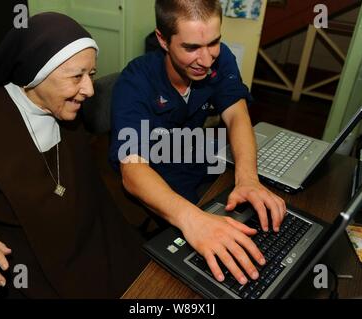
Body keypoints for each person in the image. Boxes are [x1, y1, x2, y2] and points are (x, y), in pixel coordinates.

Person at [0, 12, 147, 299]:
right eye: (76, 76)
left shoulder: (71, 109)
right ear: (34, 75)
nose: (89, 90)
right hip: (25, 268)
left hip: (88, 243)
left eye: (91, 74)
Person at [109, 0, 286, 286]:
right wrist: (194, 221)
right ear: (162, 40)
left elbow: (237, 115)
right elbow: (132, 171)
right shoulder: (135, 81)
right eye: (191, 48)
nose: (206, 60)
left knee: (265, 217)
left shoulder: (219, 57)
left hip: (195, 157)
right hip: (156, 175)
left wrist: (248, 179)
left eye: (214, 42)